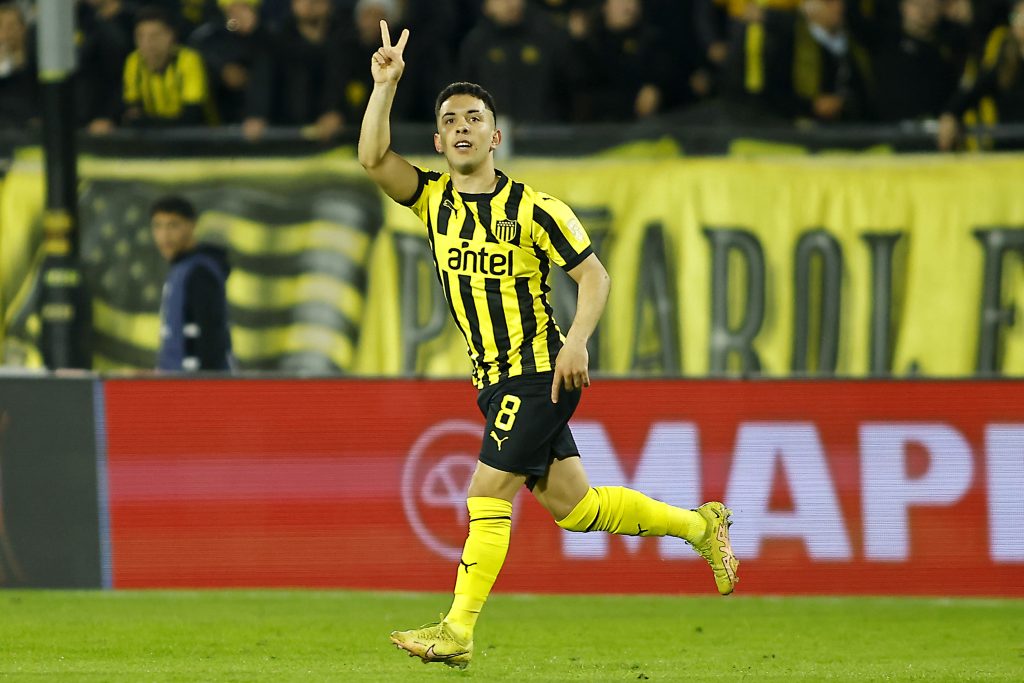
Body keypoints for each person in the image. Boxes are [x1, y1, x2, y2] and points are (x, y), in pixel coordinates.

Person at [359, 20, 739, 671]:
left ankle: (457, 629)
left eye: (474, 118)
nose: (461, 127)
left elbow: (594, 274)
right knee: (576, 506)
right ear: (438, 139)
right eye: (450, 119)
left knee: (485, 494)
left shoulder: (537, 208)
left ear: (495, 136)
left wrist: (578, 342)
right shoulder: (433, 201)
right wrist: (385, 85)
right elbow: (372, 159)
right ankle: (702, 526)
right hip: (493, 381)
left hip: (538, 373)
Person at [150, 196, 233, 372]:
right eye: (158, 226)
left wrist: (204, 391)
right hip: (177, 386)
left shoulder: (199, 272)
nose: (164, 235)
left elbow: (211, 341)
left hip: (195, 390)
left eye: (173, 225)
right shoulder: (181, 269)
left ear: (192, 225)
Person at [122, 7, 214, 127]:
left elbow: (192, 117)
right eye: (140, 37)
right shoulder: (134, 61)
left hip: (201, 140)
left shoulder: (188, 60)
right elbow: (132, 112)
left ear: (170, 36)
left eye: (154, 36)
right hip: (155, 140)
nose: (147, 43)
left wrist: (146, 122)